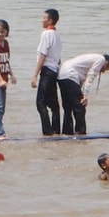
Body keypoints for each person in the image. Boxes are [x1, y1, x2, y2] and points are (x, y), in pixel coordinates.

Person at [57, 52, 109, 135]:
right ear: (107, 63)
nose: (103, 71)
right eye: (105, 69)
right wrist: (85, 95)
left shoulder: (92, 58)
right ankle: (80, 132)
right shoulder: (101, 60)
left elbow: (80, 80)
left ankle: (67, 132)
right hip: (70, 74)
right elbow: (91, 76)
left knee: (67, 107)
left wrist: (82, 92)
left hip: (62, 74)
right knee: (80, 107)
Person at [32, 8, 63, 136]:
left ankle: (48, 132)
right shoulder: (57, 35)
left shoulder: (46, 34)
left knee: (40, 103)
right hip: (54, 70)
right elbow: (58, 57)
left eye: (44, 18)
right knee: (54, 104)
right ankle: (56, 130)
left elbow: (42, 55)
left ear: (50, 20)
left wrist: (35, 75)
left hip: (47, 71)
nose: (42, 20)